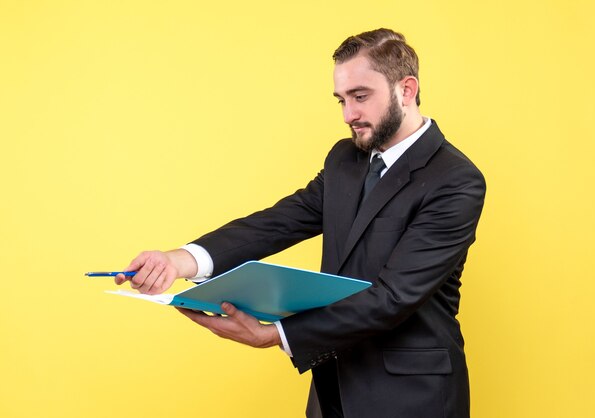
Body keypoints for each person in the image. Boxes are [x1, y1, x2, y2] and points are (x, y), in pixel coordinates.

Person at [116, 28, 486, 418]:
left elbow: (392, 298)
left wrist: (276, 334)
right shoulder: (345, 159)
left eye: (361, 97)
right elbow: (281, 222)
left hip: (412, 397)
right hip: (332, 392)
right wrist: (179, 261)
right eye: (341, 100)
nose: (349, 115)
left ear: (406, 90)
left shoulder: (456, 181)